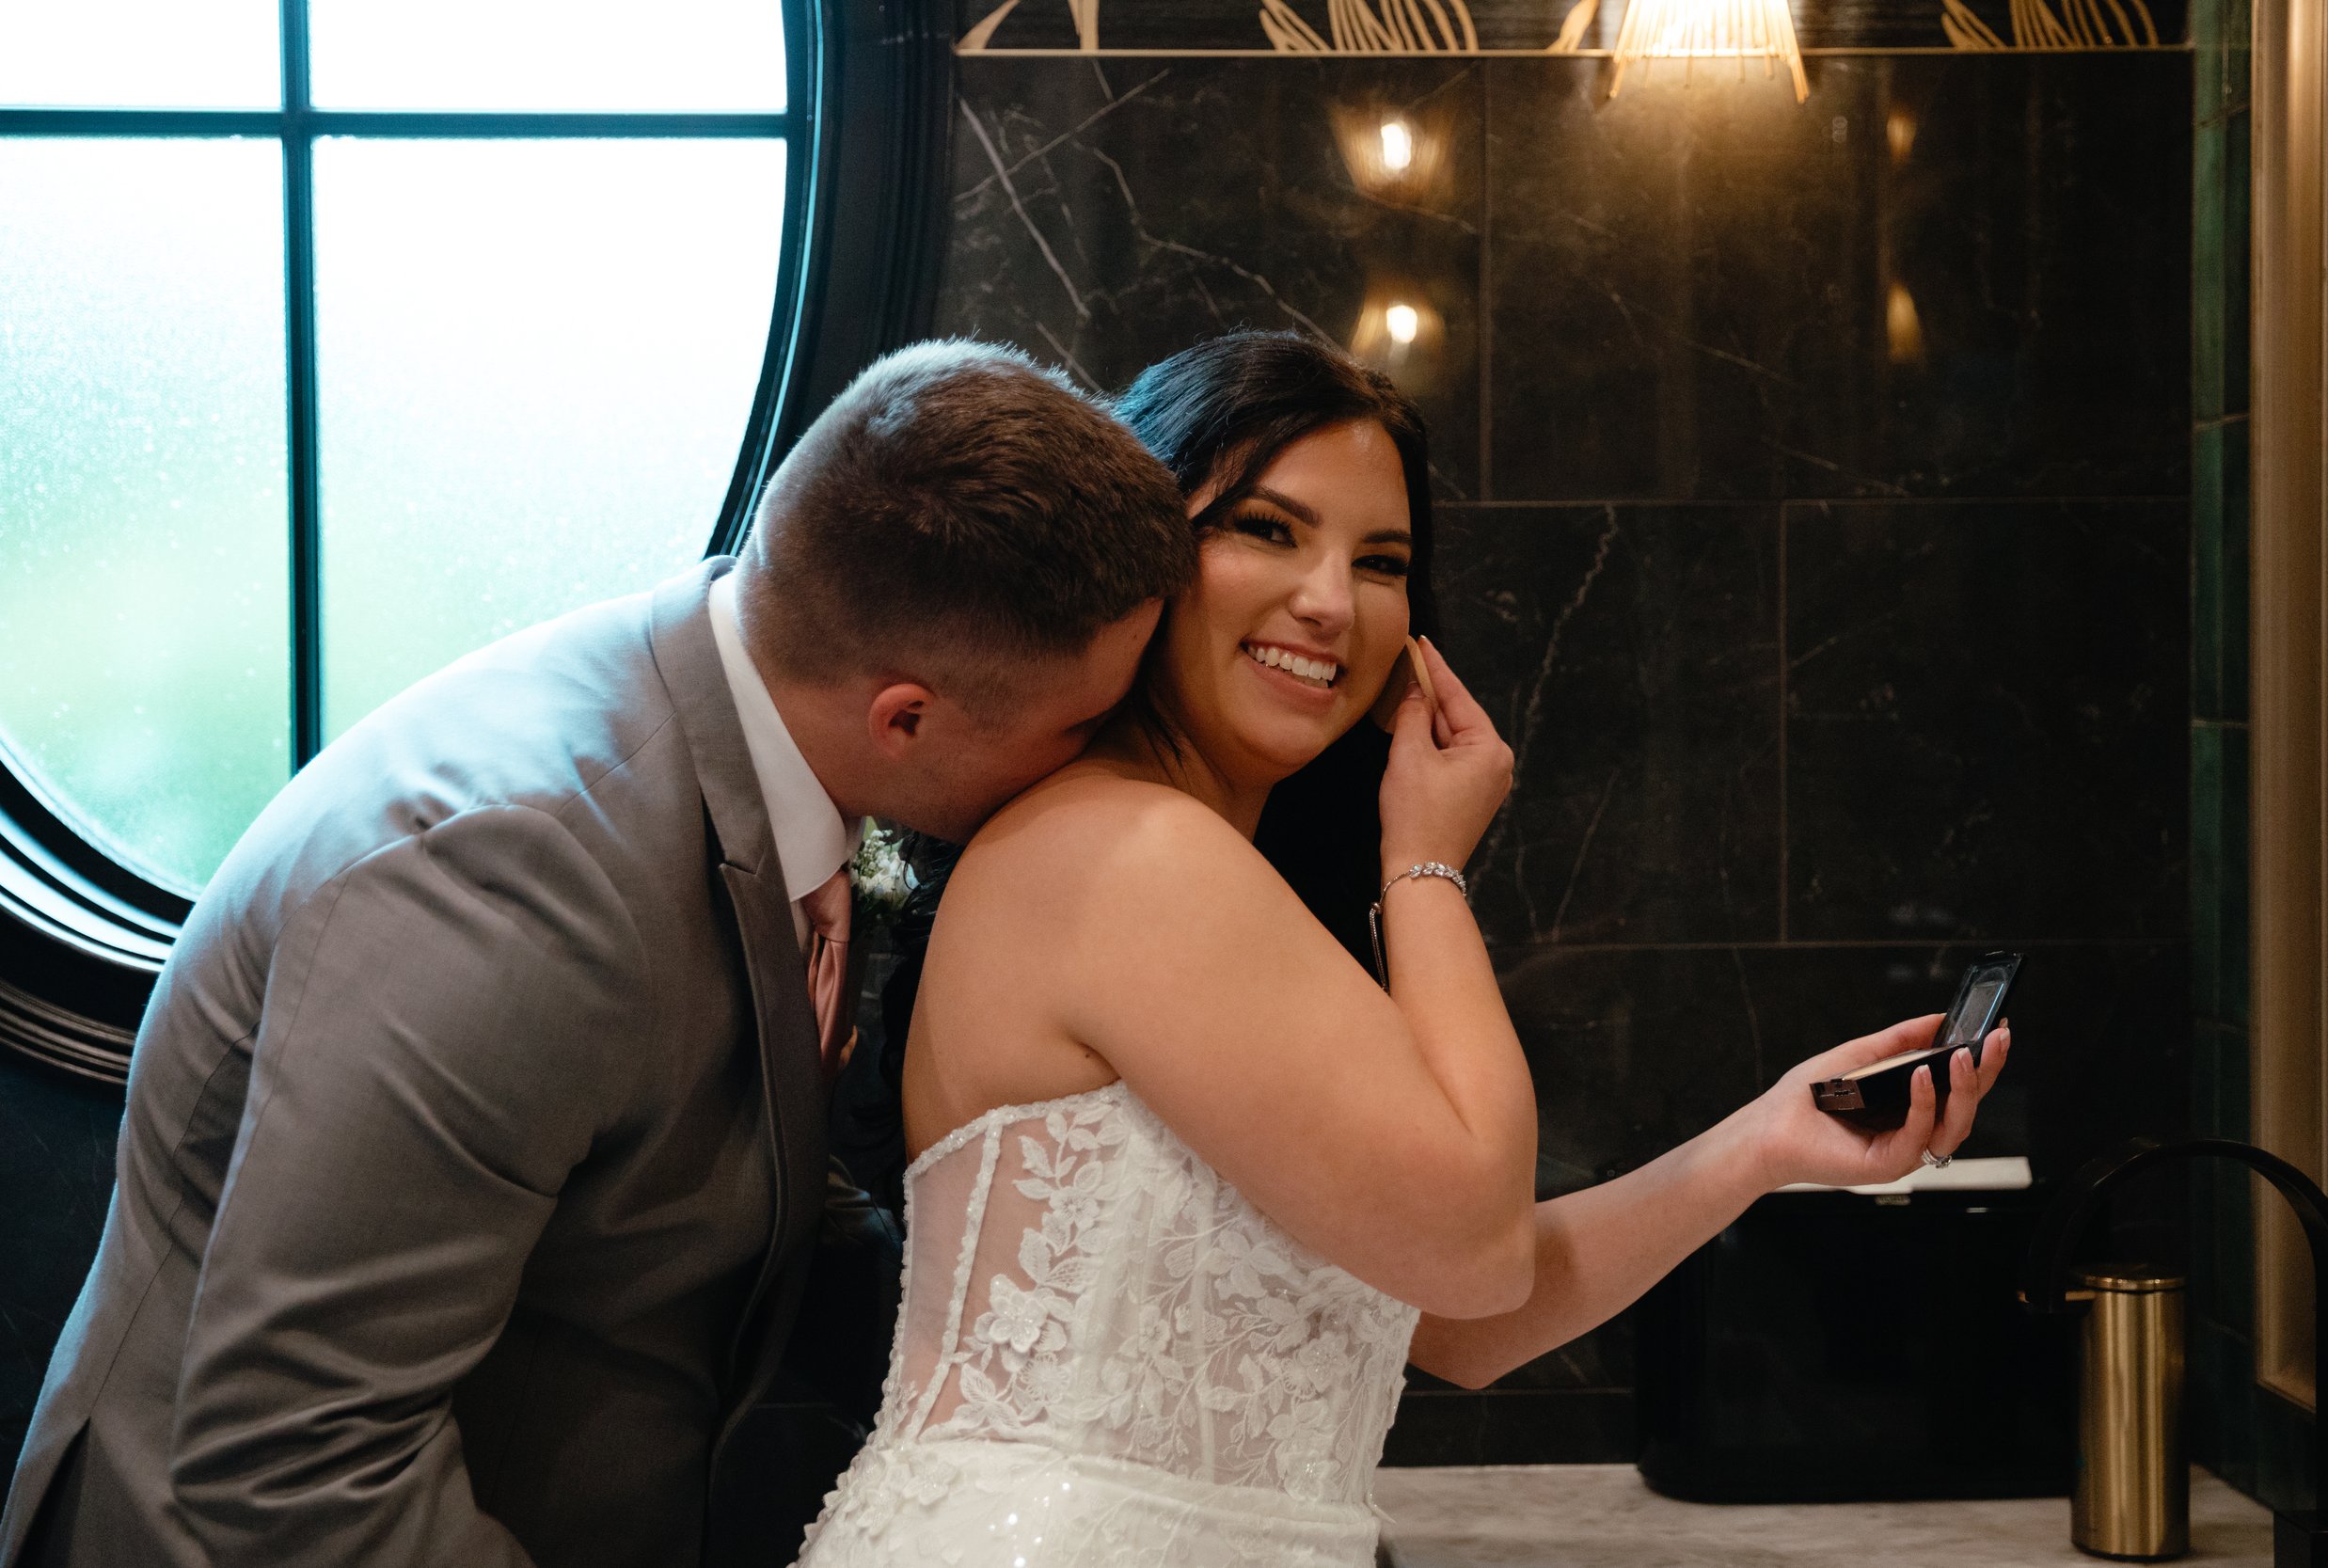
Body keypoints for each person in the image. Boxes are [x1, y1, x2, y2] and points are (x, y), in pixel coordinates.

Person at [793, 331, 2010, 1567]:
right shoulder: (1123, 852)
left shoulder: (1191, 871)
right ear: (1148, 561)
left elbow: (1460, 1321)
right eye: (1268, 529)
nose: (1330, 600)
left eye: (1382, 562)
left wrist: (1765, 1141)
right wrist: (1424, 858)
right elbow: (1475, 1251)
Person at [0, 342, 1196, 1568]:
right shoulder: (515, 883)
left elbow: (682, 1163)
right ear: (905, 718)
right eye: (1083, 727)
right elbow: (297, 1458)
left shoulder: (754, 712)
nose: (1094, 768)